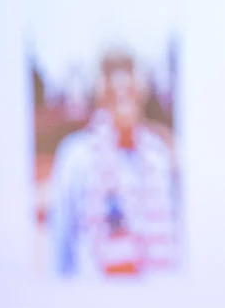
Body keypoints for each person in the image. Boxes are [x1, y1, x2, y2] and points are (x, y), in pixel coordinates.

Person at [48, 48, 178, 277]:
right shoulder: (76, 157)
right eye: (111, 83)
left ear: (141, 91)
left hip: (154, 302)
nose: (121, 91)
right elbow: (60, 244)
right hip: (92, 302)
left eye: (129, 82)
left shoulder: (158, 155)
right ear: (100, 93)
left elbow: (176, 239)